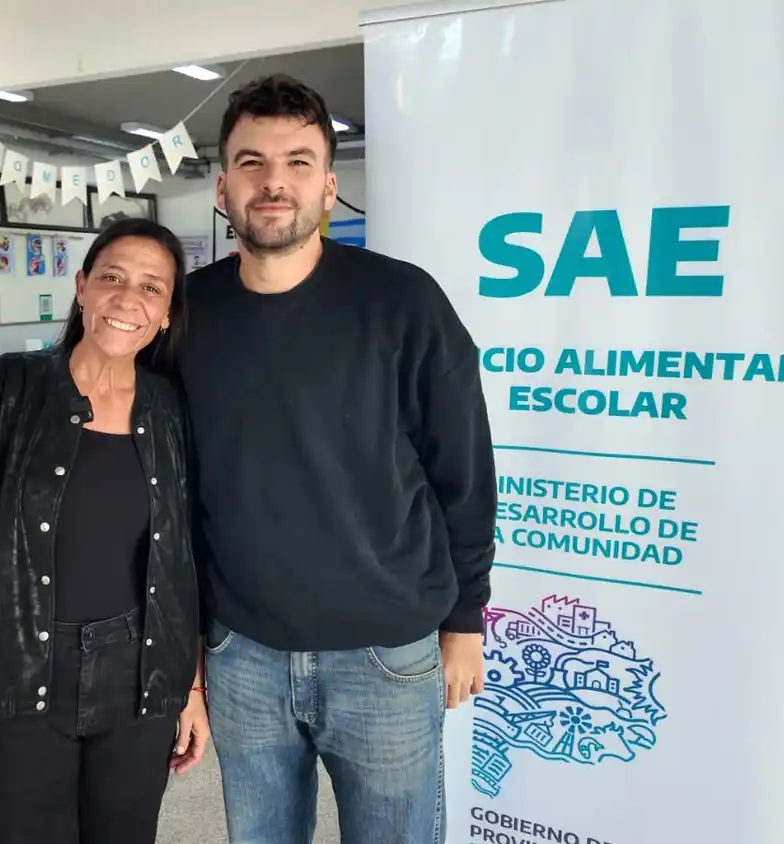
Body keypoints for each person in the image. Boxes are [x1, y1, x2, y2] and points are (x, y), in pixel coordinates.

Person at [178, 74, 497, 844]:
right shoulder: (188, 316)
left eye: (297, 162)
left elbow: (464, 471)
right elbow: (172, 498)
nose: (273, 183)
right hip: (242, 654)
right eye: (252, 163)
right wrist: (188, 654)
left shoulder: (404, 303)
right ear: (223, 187)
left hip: (385, 656)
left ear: (328, 185)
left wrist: (466, 619)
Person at [0, 217, 209, 844]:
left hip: (140, 674)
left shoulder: (172, 409)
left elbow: (187, 561)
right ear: (81, 288)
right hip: (20, 666)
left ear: (166, 315)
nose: (128, 299)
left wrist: (189, 684)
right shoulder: (7, 390)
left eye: (152, 288)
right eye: (112, 278)